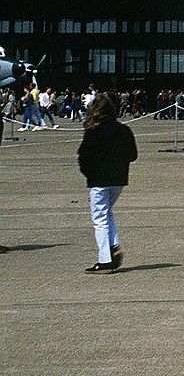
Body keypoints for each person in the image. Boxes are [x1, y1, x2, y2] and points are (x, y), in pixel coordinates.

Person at [77, 96, 138, 274]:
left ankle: (105, 258)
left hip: (98, 180)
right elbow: (133, 155)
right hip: (118, 180)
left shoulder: (92, 131)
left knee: (99, 218)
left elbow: (83, 156)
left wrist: (89, 173)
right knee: (106, 212)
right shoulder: (124, 130)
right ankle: (113, 245)